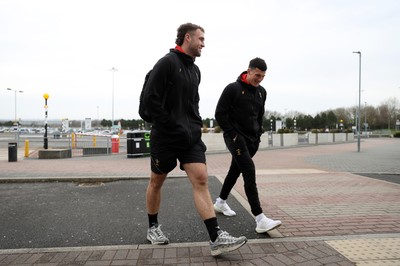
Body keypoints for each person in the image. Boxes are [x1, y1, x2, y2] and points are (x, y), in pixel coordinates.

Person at [142, 22, 247, 256]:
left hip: (190, 137)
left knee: (201, 179)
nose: (203, 44)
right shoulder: (166, 63)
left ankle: (216, 237)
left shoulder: (195, 70)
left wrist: (195, 125)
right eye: (200, 39)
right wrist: (170, 124)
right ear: (187, 38)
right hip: (166, 137)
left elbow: (193, 103)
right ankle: (153, 227)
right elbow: (151, 100)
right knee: (157, 181)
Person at [214, 57, 282, 234]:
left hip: (252, 141)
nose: (259, 79)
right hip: (235, 138)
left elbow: (259, 116)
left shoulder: (262, 92)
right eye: (257, 75)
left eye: (263, 76)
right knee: (249, 171)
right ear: (249, 71)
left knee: (235, 170)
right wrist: (233, 134)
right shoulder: (233, 89)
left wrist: (258, 135)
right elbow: (219, 114)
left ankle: (220, 202)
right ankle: (260, 219)